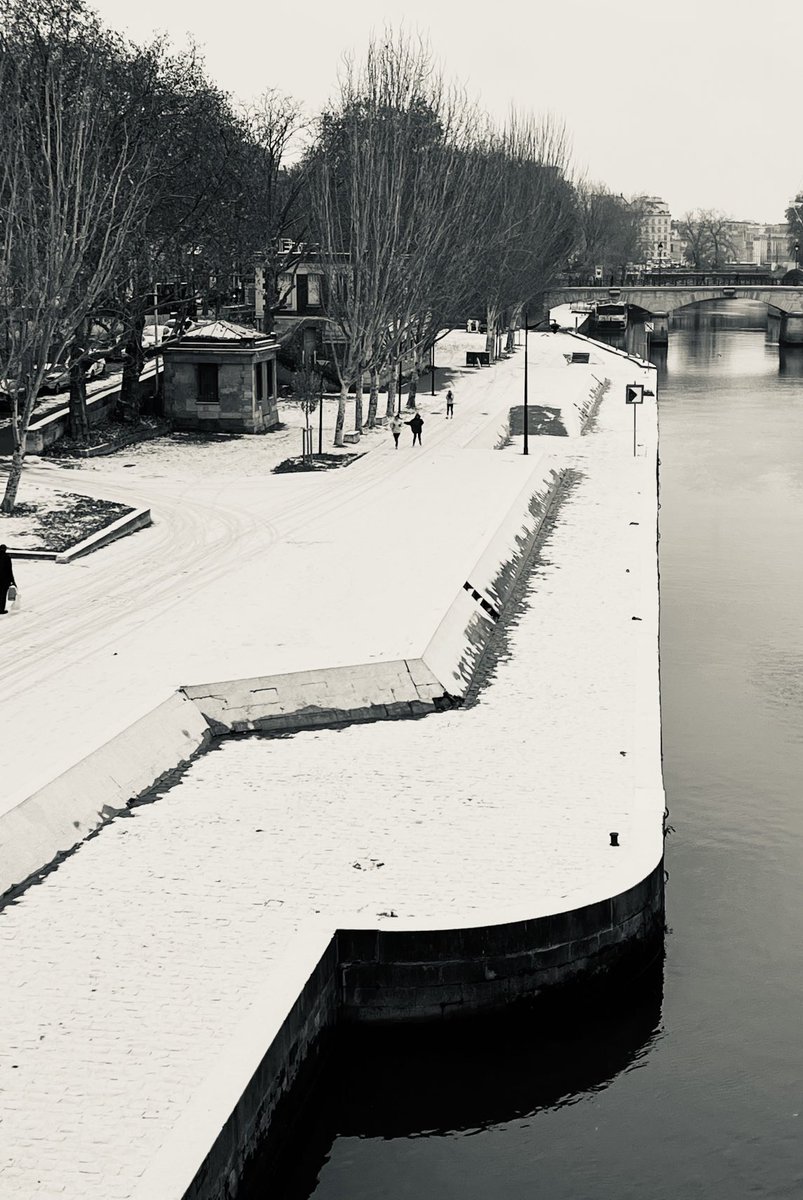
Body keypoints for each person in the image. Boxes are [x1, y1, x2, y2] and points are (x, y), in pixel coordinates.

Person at [0, 544, 15, 615]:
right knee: (3, 595)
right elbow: (9, 570)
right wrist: (12, 581)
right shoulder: (7, 557)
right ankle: (1, 609)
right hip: (4, 579)